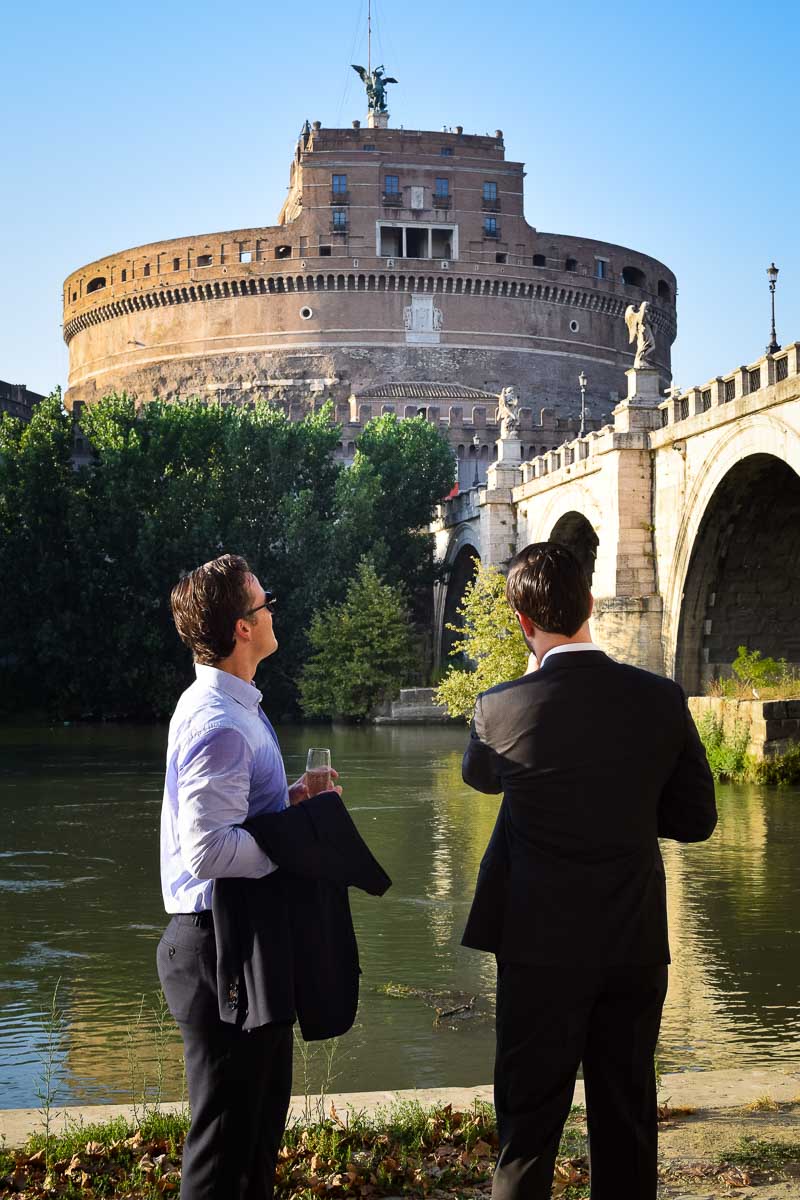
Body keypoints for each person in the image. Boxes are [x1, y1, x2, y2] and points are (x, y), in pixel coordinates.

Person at [461, 542, 717, 1200]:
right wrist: (624, 808)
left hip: (536, 952)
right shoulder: (660, 699)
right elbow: (695, 820)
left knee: (527, 1130)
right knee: (626, 1120)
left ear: (523, 622)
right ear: (591, 604)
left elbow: (481, 777)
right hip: (631, 948)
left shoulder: (500, 709)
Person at [157, 553, 341, 1200]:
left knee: (256, 1133)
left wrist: (287, 802)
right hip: (218, 947)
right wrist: (291, 845)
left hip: (233, 940)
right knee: (225, 1147)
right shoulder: (219, 723)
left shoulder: (233, 707)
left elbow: (235, 818)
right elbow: (207, 851)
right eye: (264, 605)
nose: (271, 614)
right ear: (242, 627)